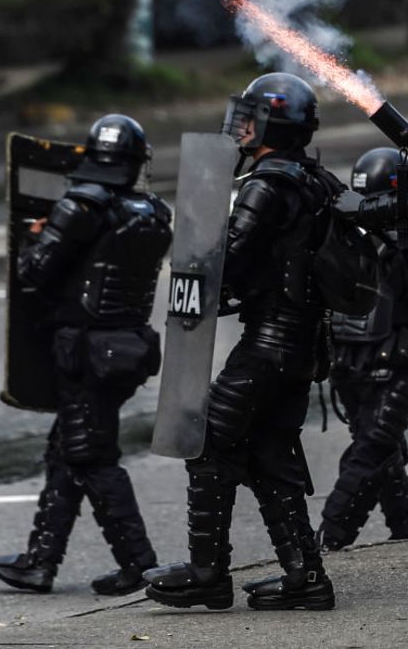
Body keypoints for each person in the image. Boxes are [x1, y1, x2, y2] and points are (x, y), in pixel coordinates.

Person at [143, 73, 345, 611]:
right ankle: (306, 579)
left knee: (207, 440)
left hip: (270, 345)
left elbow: (225, 261)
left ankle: (209, 573)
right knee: (270, 454)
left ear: (272, 124)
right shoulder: (317, 180)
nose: (242, 125)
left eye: (251, 115)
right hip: (302, 347)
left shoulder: (266, 184)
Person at [0, 114, 172, 596]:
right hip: (126, 348)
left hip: (86, 351)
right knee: (67, 452)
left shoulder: (81, 206)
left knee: (91, 458)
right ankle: (40, 561)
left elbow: (35, 272)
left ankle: (140, 564)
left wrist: (35, 233)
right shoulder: (152, 211)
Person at [317, 147, 408, 550]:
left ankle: (407, 526)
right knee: (374, 448)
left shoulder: (341, 239)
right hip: (390, 364)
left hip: (345, 367)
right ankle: (329, 537)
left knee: (384, 448)